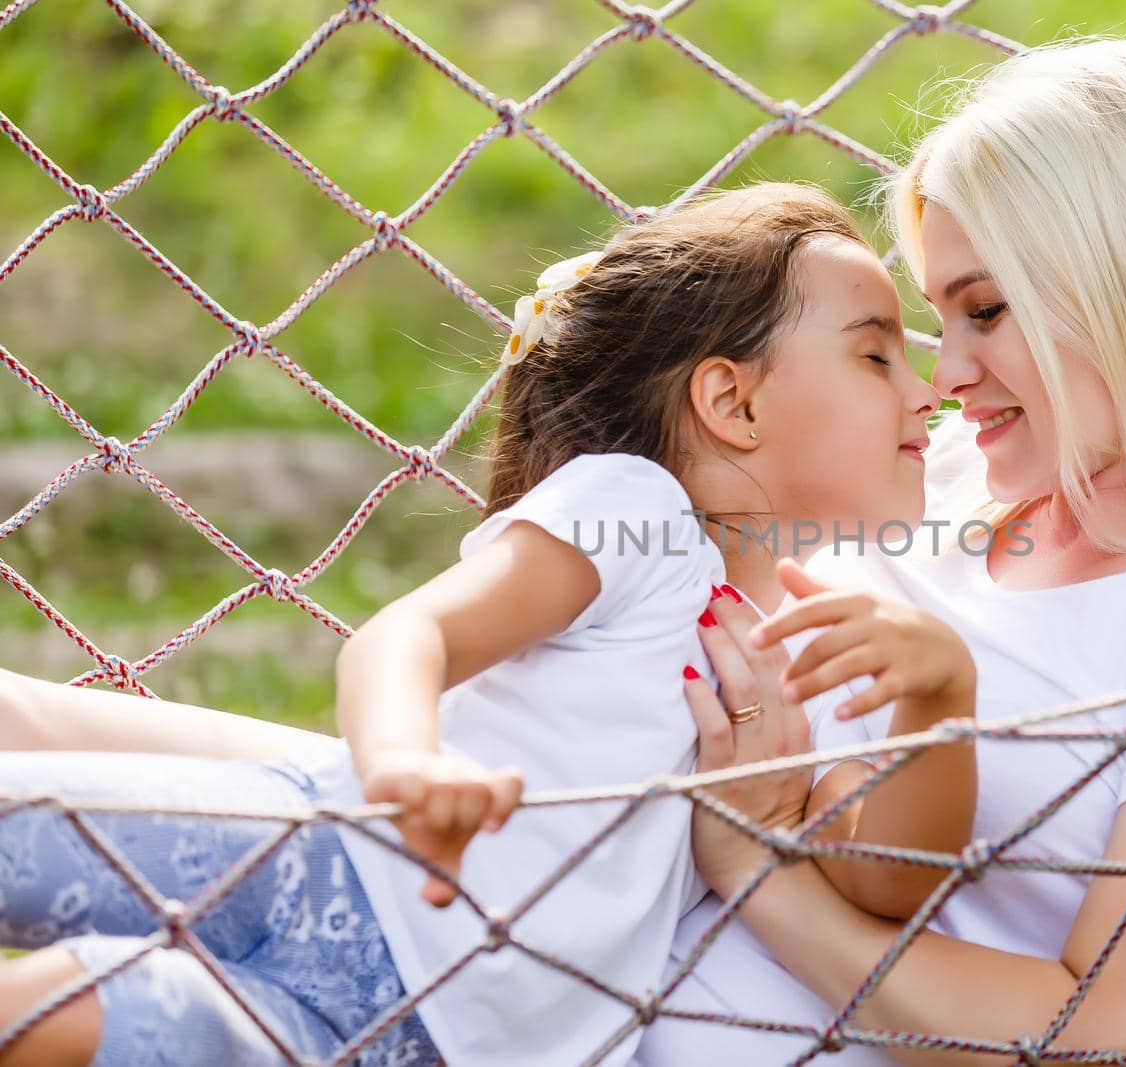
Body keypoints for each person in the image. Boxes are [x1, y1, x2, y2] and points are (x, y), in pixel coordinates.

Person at [0, 183, 981, 1067]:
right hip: (316, 860)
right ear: (732, 399)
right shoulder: (634, 514)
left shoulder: (822, 629)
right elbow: (407, 635)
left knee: (78, 1016)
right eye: (874, 352)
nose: (925, 389)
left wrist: (940, 698)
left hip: (415, 1048)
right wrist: (403, 765)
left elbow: (887, 879)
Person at [634, 36, 1126, 1064]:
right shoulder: (933, 489)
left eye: (983, 311)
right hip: (536, 938)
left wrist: (752, 867)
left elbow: (1107, 1016)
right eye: (936, 321)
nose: (945, 376)